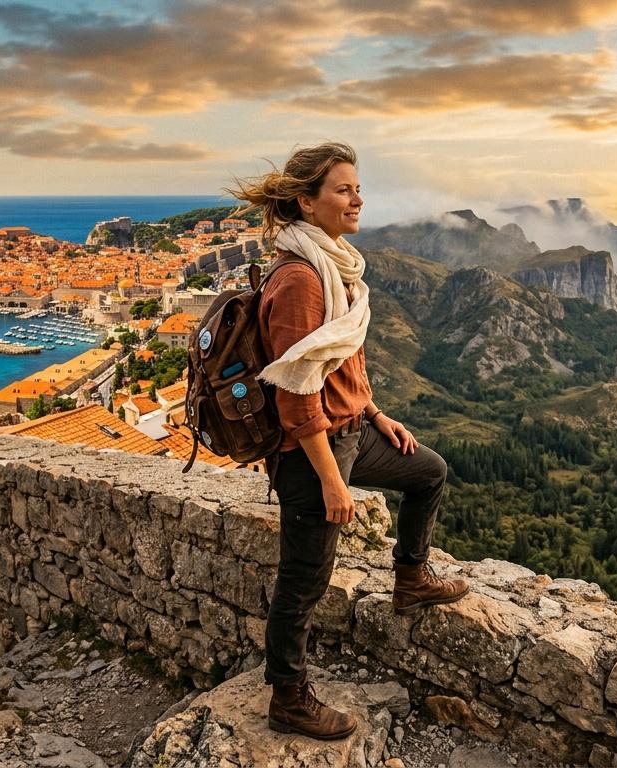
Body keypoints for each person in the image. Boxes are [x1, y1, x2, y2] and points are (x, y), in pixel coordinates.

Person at [227, 142, 470, 740]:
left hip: (352, 430)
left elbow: (336, 365)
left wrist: (375, 413)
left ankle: (410, 580)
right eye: (343, 189)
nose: (357, 198)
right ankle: (288, 696)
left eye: (358, 188)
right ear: (307, 203)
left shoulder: (333, 267)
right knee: (304, 579)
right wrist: (333, 481)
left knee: (428, 472)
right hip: (310, 453)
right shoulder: (302, 280)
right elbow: (295, 394)